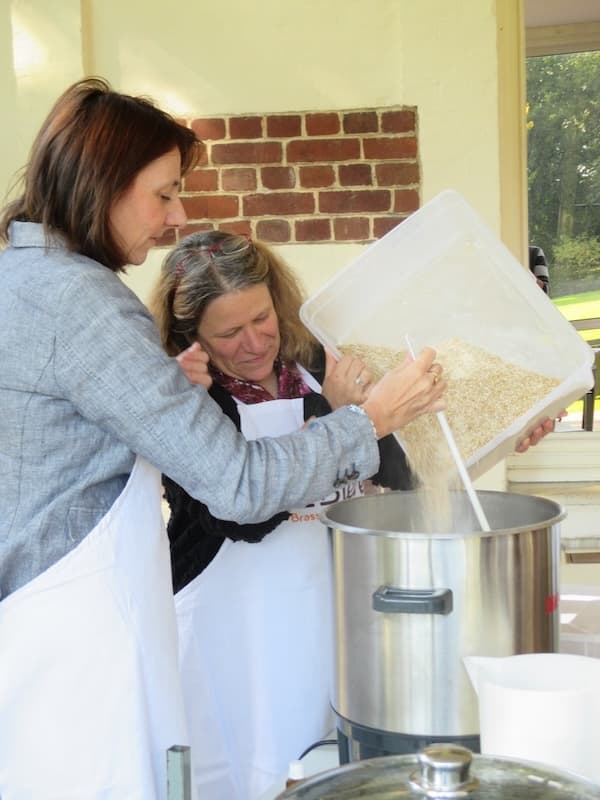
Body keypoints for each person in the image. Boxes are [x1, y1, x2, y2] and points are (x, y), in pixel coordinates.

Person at [0, 77, 447, 800]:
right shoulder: (80, 301)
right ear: (103, 184)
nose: (175, 216)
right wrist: (366, 420)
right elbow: (236, 486)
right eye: (163, 192)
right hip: (78, 638)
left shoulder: (16, 278)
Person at [149, 231, 417, 799]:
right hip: (238, 632)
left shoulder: (321, 363)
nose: (253, 343)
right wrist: (340, 417)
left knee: (337, 765)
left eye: (262, 318)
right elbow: (240, 516)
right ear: (190, 336)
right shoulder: (187, 399)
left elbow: (398, 473)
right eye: (228, 332)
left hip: (336, 611)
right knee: (248, 770)